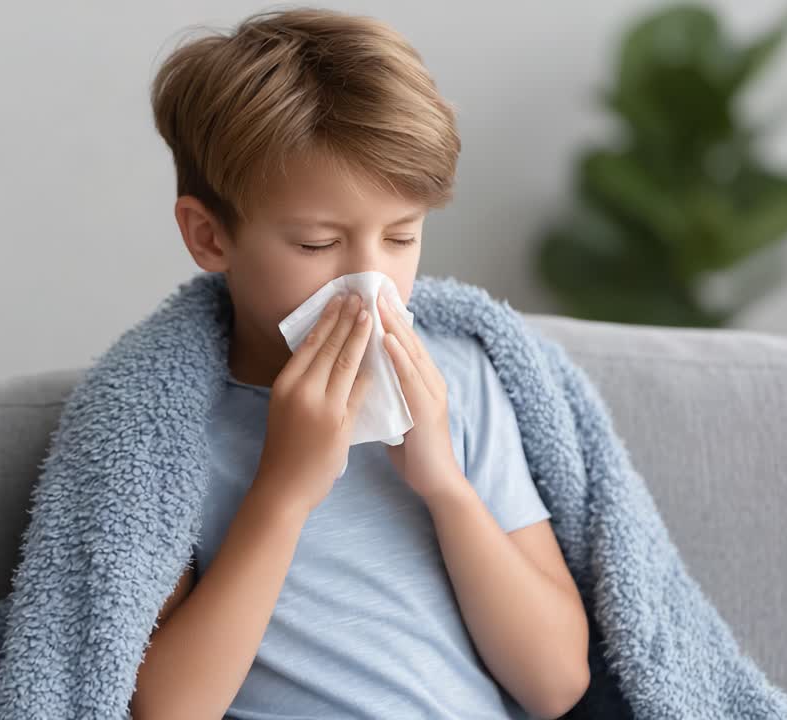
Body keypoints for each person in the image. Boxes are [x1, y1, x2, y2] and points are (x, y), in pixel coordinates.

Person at [131, 8, 590, 719]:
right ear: (210, 236)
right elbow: (165, 708)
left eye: (402, 238)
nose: (369, 283)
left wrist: (446, 488)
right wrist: (282, 493)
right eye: (318, 245)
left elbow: (557, 683)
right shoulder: (164, 425)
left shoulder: (459, 384)